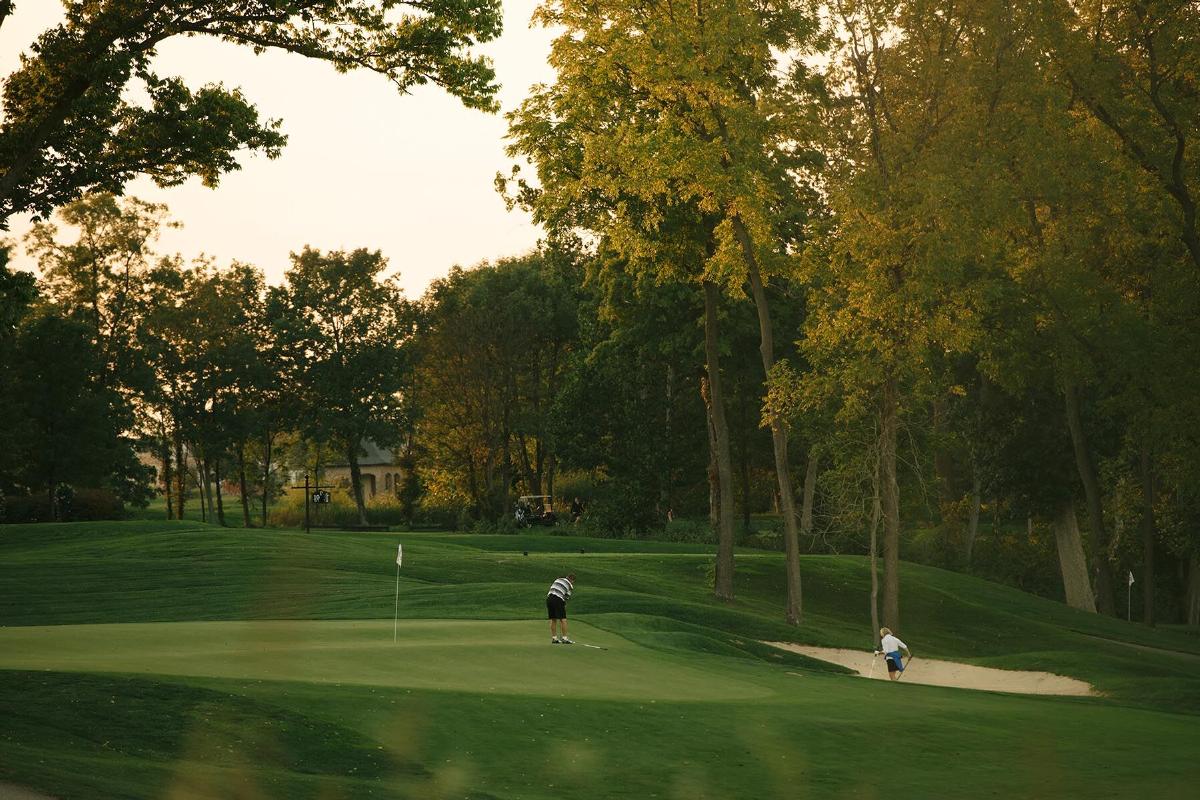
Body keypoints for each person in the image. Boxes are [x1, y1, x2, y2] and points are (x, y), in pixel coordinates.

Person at [547, 573, 576, 644]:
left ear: (567, 577)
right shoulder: (570, 585)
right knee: (563, 619)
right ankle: (565, 638)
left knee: (553, 619)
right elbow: (566, 598)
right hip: (558, 599)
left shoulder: (558, 579)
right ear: (572, 580)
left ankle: (554, 638)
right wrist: (564, 605)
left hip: (549, 599)